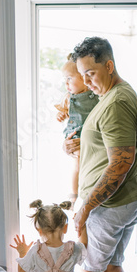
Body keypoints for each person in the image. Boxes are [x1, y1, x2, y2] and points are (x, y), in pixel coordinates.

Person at [63, 37, 137, 272]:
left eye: (91, 73)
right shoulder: (114, 94)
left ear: (109, 66)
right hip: (126, 200)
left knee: (87, 266)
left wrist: (85, 206)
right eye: (81, 75)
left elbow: (120, 163)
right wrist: (78, 146)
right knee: (112, 263)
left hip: (109, 205)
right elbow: (108, 148)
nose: (86, 81)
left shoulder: (114, 103)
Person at [55, 54, 99, 217]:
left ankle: (83, 196)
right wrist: (62, 115)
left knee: (87, 164)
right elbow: (64, 112)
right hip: (75, 134)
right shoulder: (69, 97)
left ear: (83, 77)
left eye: (69, 78)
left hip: (89, 137)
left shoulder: (96, 96)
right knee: (79, 163)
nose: (66, 83)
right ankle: (73, 198)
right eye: (64, 79)